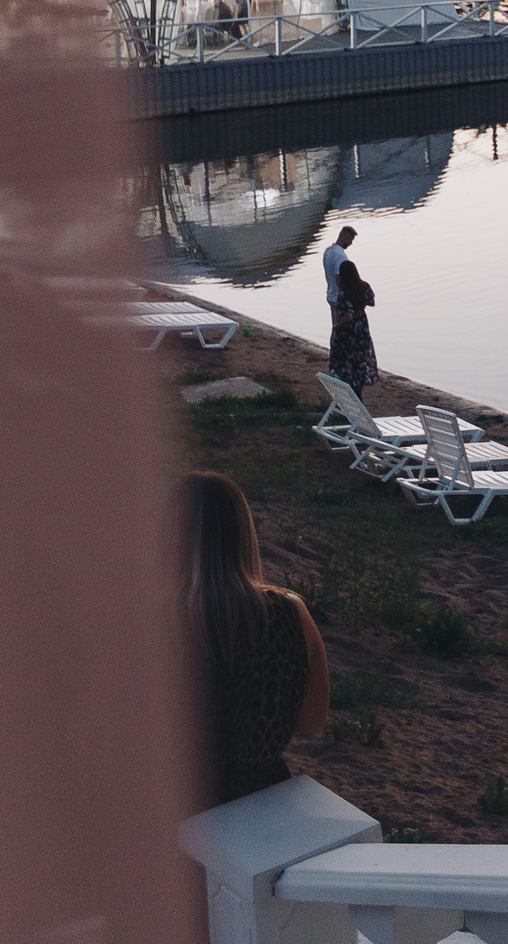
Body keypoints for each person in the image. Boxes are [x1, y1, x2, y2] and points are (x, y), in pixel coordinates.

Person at [179, 471, 329, 807]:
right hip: (259, 807)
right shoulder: (291, 613)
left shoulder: (143, 622)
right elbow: (312, 720)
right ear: (244, 533)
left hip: (174, 809)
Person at [326, 254, 380, 390]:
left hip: (349, 333)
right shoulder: (364, 287)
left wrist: (337, 326)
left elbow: (348, 316)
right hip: (362, 327)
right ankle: (358, 389)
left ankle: (351, 395)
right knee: (360, 363)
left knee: (346, 365)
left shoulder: (344, 293)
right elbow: (371, 302)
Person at [322, 225, 356, 304]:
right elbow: (339, 277)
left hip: (331, 296)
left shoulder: (328, 251)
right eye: (351, 240)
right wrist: (344, 296)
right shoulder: (340, 256)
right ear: (345, 237)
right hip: (339, 299)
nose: (351, 243)